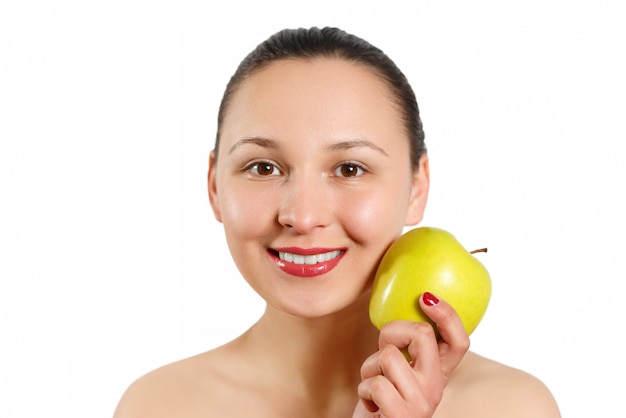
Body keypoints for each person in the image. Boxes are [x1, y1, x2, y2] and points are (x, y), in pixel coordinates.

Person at [113, 27, 561, 417]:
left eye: (350, 169)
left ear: (417, 187)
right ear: (214, 186)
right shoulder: (157, 406)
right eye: (264, 168)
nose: (303, 217)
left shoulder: (512, 408)